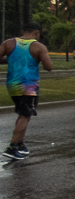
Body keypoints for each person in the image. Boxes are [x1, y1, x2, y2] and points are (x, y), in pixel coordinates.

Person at [2, 21, 53, 161]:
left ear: (23, 31)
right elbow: (49, 66)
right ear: (36, 32)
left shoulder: (8, 43)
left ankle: (20, 144)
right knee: (26, 115)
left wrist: (12, 61)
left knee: (21, 112)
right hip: (29, 86)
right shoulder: (38, 46)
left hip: (12, 84)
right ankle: (12, 146)